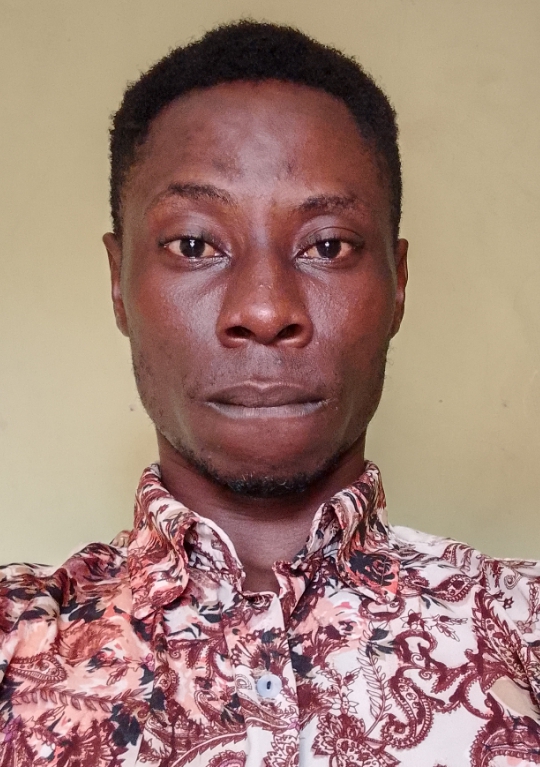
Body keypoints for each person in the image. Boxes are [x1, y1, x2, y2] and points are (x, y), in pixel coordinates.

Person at [0, 19, 539, 766]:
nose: (262, 308)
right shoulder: (16, 642)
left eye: (327, 245)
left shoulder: (524, 626)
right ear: (118, 284)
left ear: (398, 284)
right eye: (194, 244)